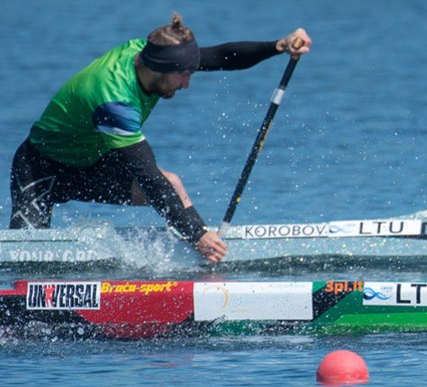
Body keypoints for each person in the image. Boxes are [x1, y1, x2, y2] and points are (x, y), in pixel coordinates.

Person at [9, 14, 312, 263]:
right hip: (41, 170)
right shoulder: (114, 101)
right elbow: (149, 178)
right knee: (25, 260)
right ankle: (203, 241)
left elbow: (218, 56)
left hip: (92, 160)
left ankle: (207, 258)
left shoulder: (152, 51)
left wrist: (279, 45)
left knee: (174, 185)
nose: (187, 84)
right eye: (183, 76)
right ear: (161, 69)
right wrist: (195, 232)